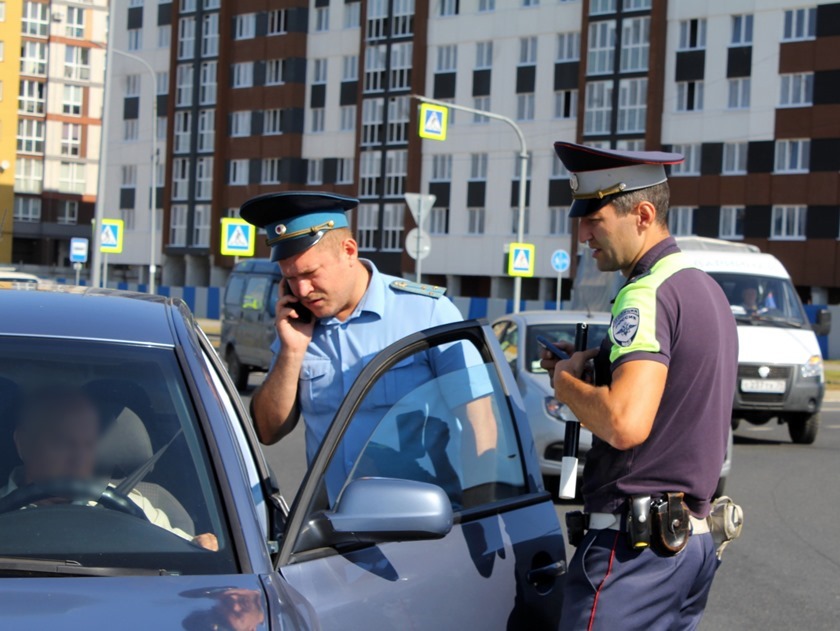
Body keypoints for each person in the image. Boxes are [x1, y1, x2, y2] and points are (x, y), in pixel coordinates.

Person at [541, 142, 738, 630]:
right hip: (689, 546)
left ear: (643, 214)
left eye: (595, 218)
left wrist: (564, 382)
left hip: (632, 557)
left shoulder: (644, 293)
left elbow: (626, 423)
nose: (583, 232)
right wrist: (596, 374)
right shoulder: (703, 289)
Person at [241, 192, 497, 482]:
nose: (301, 290)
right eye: (290, 277)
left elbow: (480, 421)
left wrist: (484, 507)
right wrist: (291, 351)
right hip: (333, 520)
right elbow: (267, 430)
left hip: (421, 520)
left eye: (310, 273)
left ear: (349, 251)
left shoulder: (427, 312)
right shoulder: (299, 325)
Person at [2, 387, 218, 551]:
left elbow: (183, 551)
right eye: (62, 443)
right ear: (23, 443)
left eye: (88, 444)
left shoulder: (131, 506)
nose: (79, 458)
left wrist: (201, 544)